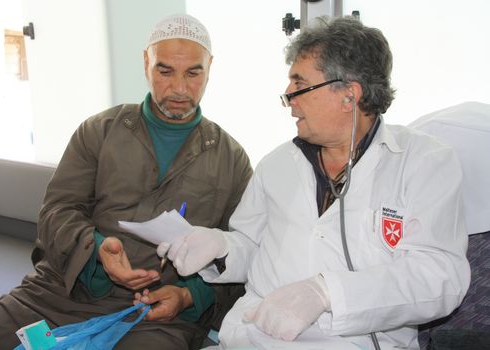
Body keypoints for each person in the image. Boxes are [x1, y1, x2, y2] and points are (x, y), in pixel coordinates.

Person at [158, 16, 470, 349]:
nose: (288, 96)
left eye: (300, 84)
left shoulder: (423, 162)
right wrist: (220, 248)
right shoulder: (277, 164)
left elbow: (440, 278)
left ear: (349, 95)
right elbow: (253, 249)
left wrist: (327, 293)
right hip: (250, 338)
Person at [0, 13, 252, 350]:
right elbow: (56, 212)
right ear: (146, 62)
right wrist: (97, 250)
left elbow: (244, 252)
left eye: (193, 73)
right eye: (164, 70)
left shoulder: (232, 160)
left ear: (210, 67)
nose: (178, 88)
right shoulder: (98, 132)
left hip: (156, 315)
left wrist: (188, 295)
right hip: (60, 291)